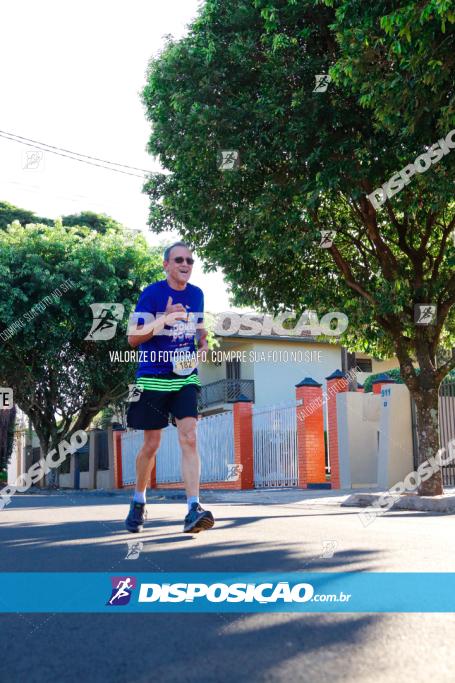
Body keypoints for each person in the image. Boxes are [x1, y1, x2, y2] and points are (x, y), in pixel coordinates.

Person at [124, 241, 215, 535]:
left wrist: (203, 344)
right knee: (152, 444)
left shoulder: (197, 294)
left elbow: (200, 330)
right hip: (152, 377)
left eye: (190, 260)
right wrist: (165, 318)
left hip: (185, 376)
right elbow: (132, 338)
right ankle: (138, 500)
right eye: (179, 260)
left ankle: (193, 507)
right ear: (166, 265)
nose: (186, 264)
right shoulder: (151, 294)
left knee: (189, 437)